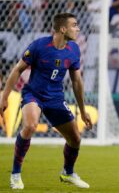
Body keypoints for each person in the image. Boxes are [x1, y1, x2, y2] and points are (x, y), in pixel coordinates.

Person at [0, 13, 92, 189]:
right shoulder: (39, 46)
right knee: (30, 126)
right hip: (33, 94)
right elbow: (17, 70)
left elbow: (77, 81)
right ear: (62, 29)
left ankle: (68, 172)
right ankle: (15, 174)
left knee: (75, 139)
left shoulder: (74, 49)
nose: (78, 28)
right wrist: (4, 97)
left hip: (56, 98)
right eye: (74, 25)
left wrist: (83, 110)